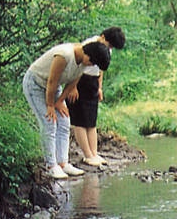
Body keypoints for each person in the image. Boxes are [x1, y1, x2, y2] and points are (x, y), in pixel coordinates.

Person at [23, 41, 111, 179]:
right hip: (36, 84)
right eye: (93, 63)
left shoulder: (82, 63)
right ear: (88, 56)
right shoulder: (64, 55)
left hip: (54, 88)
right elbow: (52, 80)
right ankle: (51, 166)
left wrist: (59, 102)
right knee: (49, 122)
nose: (92, 66)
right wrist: (50, 105)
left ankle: (63, 163)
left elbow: (72, 83)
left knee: (64, 121)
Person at [67, 27, 125, 167]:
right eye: (109, 44)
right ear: (103, 37)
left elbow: (101, 69)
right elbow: (77, 65)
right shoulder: (90, 45)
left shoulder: (105, 49)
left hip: (92, 82)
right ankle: (87, 155)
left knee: (91, 121)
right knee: (80, 120)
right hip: (79, 80)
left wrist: (99, 87)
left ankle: (94, 153)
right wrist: (72, 87)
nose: (110, 48)